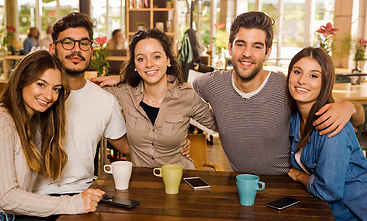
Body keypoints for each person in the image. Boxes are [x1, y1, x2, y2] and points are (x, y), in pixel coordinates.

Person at [92, 11, 364, 175]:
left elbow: (350, 112)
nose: (247, 53)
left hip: (287, 182)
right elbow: (171, 84)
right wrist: (129, 75)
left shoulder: (287, 85)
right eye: (241, 44)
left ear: (268, 52)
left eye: (257, 46)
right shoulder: (211, 83)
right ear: (230, 47)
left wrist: (350, 107)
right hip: (239, 182)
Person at [0, 50, 104, 221]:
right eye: (41, 84)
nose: (49, 95)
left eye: (56, 89)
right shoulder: (1, 121)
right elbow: (8, 198)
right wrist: (73, 204)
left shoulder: (33, 123)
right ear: (22, 80)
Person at [33, 12, 130, 196]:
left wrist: (171, 141)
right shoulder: (34, 94)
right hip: (34, 195)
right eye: (68, 42)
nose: (76, 50)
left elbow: (127, 147)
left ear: (91, 51)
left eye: (84, 43)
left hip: (83, 195)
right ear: (53, 49)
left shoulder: (105, 100)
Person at [101, 29, 217, 169]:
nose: (149, 64)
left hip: (181, 180)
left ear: (167, 60)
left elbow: (221, 125)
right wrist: (121, 78)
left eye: (156, 57)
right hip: (143, 183)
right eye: (141, 59)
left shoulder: (187, 96)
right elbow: (85, 91)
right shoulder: (125, 93)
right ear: (135, 66)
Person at [287, 47, 367, 221]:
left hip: (352, 215)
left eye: (314, 76)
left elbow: (328, 190)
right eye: (297, 72)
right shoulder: (296, 117)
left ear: (325, 83)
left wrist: (299, 176)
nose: (302, 81)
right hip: (324, 211)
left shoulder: (331, 125)